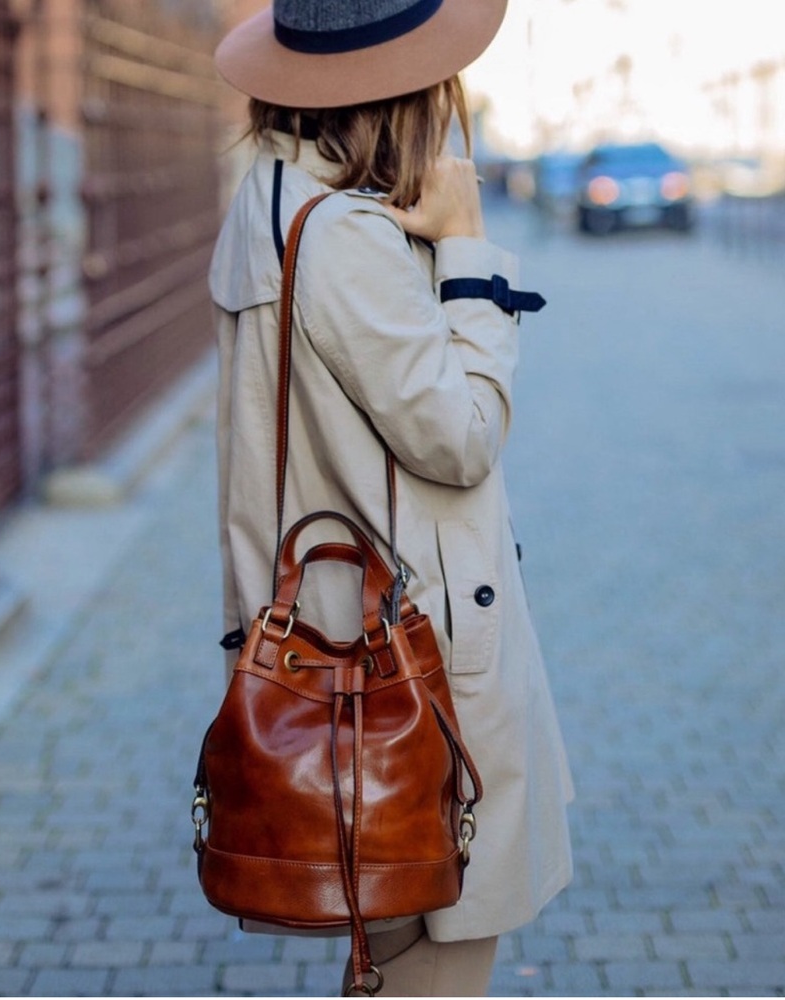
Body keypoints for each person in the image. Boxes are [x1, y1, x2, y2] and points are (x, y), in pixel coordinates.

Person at [209, 1, 574, 995]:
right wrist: (466, 255)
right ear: (410, 92)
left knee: (395, 941)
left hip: (350, 637)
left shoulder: (271, 199)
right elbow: (459, 438)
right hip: (417, 657)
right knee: (445, 942)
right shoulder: (344, 239)